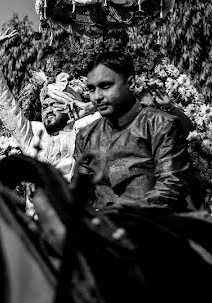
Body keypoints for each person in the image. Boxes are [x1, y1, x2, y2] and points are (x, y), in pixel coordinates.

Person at [73, 50, 195, 211]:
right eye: (91, 89)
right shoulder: (86, 136)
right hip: (103, 230)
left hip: (156, 226)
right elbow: (79, 194)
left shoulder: (161, 124)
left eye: (105, 86)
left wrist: (121, 217)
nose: (97, 97)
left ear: (130, 83)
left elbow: (170, 186)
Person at [0, 29, 99, 180]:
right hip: (39, 202)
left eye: (55, 104)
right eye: (44, 106)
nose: (48, 110)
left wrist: (91, 107)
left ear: (71, 105)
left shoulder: (84, 128)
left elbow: (121, 108)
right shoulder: (32, 133)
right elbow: (3, 103)